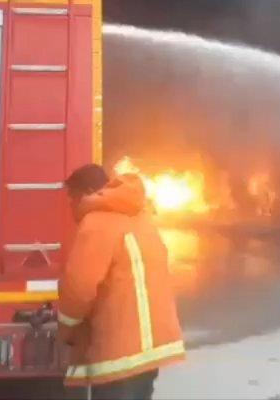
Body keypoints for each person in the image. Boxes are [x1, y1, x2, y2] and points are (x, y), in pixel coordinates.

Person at [58, 164, 185, 400]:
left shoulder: (96, 223)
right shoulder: (141, 219)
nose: (72, 206)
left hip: (119, 352)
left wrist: (64, 330)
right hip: (148, 352)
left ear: (88, 192)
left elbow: (79, 289)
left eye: (72, 198)